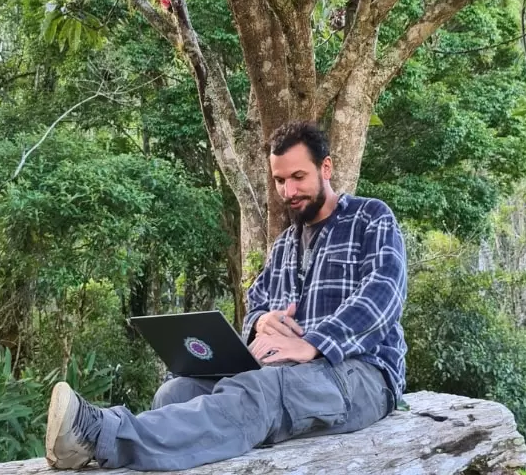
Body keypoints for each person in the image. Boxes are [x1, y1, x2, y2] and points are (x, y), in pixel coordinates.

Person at [45, 121, 407, 471]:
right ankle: (113, 448)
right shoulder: (284, 246)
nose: (289, 192)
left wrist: (314, 343)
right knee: (175, 392)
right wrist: (261, 321)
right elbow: (258, 301)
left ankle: (98, 433)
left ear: (325, 168)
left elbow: (384, 293)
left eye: (298, 177)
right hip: (284, 372)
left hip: (361, 374)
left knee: (259, 390)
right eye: (280, 181)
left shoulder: (371, 217)